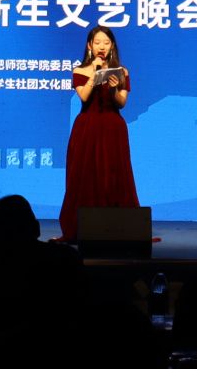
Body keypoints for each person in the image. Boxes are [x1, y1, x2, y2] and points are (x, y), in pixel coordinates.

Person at [58, 26, 138, 241]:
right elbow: (84, 97)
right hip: (87, 128)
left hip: (112, 128)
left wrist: (113, 89)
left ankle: (116, 226)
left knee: (113, 174)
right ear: (89, 46)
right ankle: (81, 226)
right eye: (97, 42)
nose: (102, 46)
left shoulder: (121, 71)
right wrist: (94, 74)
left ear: (112, 46)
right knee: (84, 175)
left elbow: (121, 103)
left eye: (106, 42)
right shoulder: (80, 70)